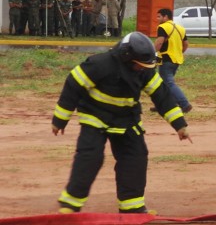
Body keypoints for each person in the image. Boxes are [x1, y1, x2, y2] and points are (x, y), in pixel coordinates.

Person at [52, 32, 192, 214]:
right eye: (139, 66)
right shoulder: (99, 64)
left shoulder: (145, 70)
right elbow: (73, 85)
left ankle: (131, 207)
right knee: (90, 158)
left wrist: (180, 125)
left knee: (135, 158)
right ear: (126, 57)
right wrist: (59, 120)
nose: (142, 69)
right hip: (95, 118)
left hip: (127, 119)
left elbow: (162, 96)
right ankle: (70, 204)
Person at [154, 8, 193, 113]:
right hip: (176, 60)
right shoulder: (180, 28)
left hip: (166, 59)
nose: (157, 19)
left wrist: (152, 53)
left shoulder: (162, 27)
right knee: (164, 84)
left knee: (168, 83)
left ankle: (184, 104)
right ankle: (163, 105)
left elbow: (159, 43)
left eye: (159, 16)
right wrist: (179, 53)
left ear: (165, 17)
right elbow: (186, 44)